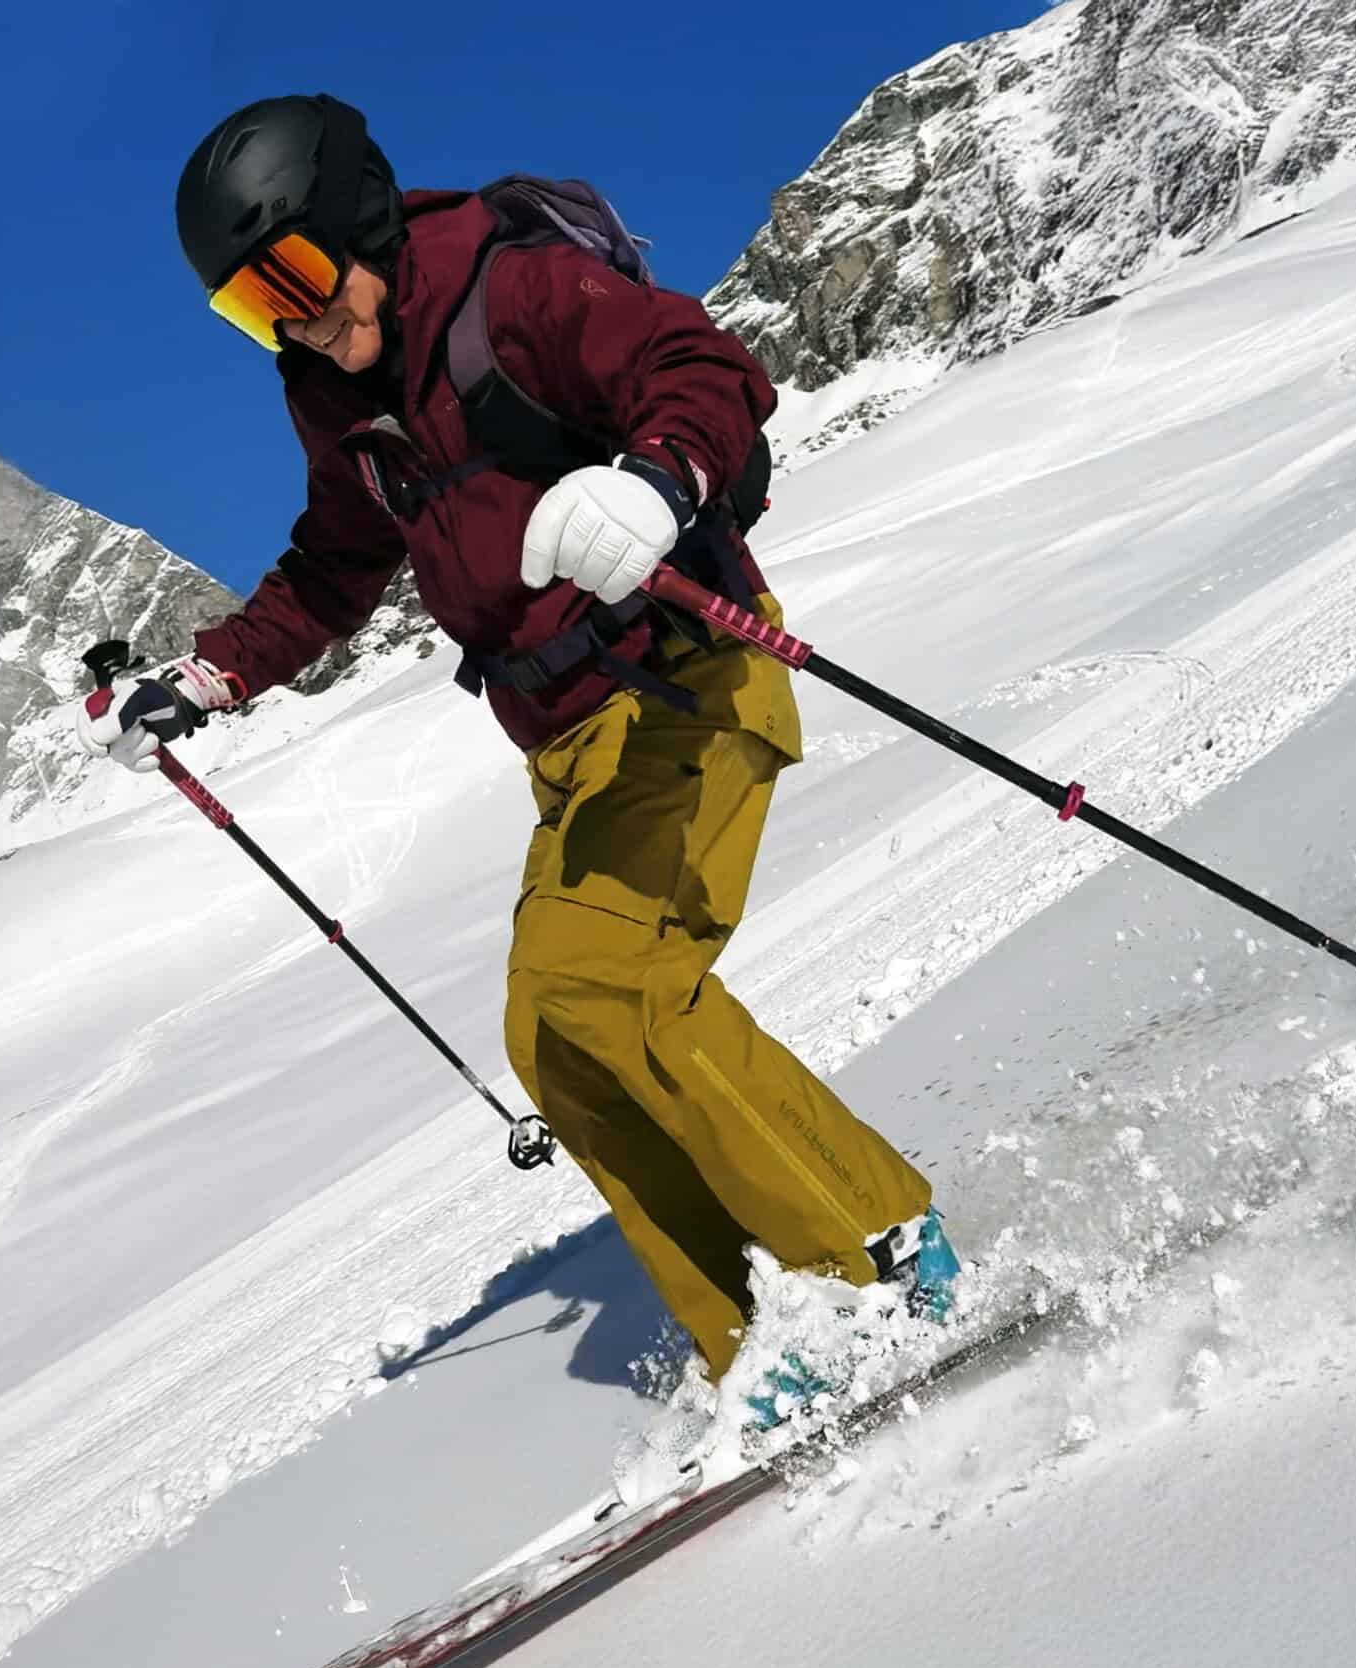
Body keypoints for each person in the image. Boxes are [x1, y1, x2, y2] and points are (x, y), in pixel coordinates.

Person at [76, 93, 958, 1384]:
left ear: (358, 226)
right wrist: (210, 678)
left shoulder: (514, 292)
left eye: (298, 277)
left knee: (616, 989)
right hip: (566, 738)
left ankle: (874, 1267)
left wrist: (653, 482)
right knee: (555, 1037)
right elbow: (335, 564)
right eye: (252, 307)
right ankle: (759, 1337)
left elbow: (707, 372)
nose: (294, 318)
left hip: (682, 680)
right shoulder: (332, 393)